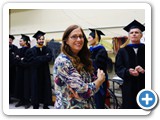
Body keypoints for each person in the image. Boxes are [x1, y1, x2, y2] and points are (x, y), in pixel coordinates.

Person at [53, 25, 105, 109]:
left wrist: (89, 88)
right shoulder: (63, 61)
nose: (79, 39)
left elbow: (91, 87)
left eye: (81, 36)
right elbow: (85, 91)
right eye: (74, 37)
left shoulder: (83, 59)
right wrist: (99, 80)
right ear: (66, 40)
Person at [115, 20, 145, 109]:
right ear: (129, 36)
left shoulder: (148, 49)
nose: (134, 34)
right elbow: (118, 68)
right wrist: (128, 71)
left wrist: (144, 70)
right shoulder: (122, 51)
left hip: (145, 85)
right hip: (129, 87)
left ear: (141, 35)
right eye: (131, 32)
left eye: (137, 32)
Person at [25, 30, 53, 109]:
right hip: (35, 72)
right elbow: (33, 61)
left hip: (45, 72)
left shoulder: (47, 49)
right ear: (37, 40)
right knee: (35, 88)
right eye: (40, 39)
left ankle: (45, 104)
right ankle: (35, 105)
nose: (41, 40)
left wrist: (39, 58)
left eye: (42, 39)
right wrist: (44, 57)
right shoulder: (32, 50)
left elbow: (49, 58)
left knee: (45, 87)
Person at [88, 28, 109, 109]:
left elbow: (98, 64)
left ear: (95, 38)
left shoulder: (101, 50)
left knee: (99, 100)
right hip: (91, 78)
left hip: (99, 78)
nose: (88, 39)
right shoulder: (90, 50)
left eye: (89, 37)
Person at [14, 34, 31, 109]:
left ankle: (27, 101)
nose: (19, 42)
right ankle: (21, 100)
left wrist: (20, 60)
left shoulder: (29, 50)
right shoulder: (19, 50)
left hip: (27, 72)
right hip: (19, 71)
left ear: (25, 42)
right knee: (20, 85)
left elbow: (28, 62)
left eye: (21, 41)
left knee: (26, 86)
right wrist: (20, 60)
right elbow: (16, 60)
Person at [9, 34, 18, 103]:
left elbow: (17, 56)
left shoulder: (15, 48)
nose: (9, 41)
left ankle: (9, 98)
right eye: (8, 40)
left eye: (11, 40)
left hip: (12, 69)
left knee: (11, 83)